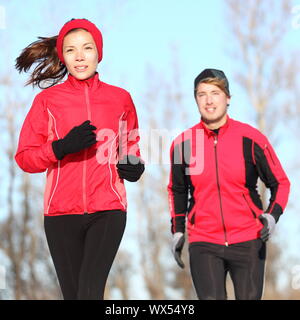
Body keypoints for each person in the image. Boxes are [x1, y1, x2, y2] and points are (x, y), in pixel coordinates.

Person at [15, 18, 144, 300]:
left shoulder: (120, 98)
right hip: (60, 213)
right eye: (71, 50)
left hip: (108, 208)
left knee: (89, 292)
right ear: (63, 56)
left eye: (87, 48)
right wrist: (61, 147)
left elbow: (130, 143)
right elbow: (25, 157)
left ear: (99, 52)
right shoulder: (48, 101)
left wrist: (134, 165)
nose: (80, 56)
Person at [167, 68, 290, 300]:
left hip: (248, 239)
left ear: (228, 98)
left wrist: (272, 216)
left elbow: (280, 183)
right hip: (204, 240)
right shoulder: (183, 144)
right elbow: (177, 190)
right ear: (195, 99)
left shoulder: (251, 139)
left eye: (215, 92)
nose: (209, 100)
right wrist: (177, 231)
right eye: (201, 94)